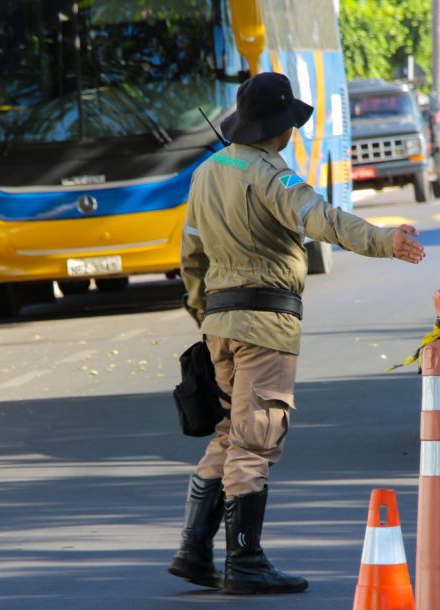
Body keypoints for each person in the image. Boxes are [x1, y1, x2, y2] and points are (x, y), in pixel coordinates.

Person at [169, 72, 425, 595]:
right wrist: (385, 240)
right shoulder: (273, 176)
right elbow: (323, 219)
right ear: (282, 128)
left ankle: (194, 551)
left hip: (218, 324)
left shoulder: (205, 174)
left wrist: (205, 319)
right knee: (255, 442)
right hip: (265, 327)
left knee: (229, 434)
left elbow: (190, 257)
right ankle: (245, 561)